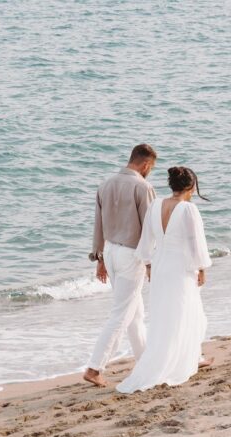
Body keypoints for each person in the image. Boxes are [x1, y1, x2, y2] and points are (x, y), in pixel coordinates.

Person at [116, 166, 212, 394]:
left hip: (160, 264)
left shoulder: (155, 205)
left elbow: (146, 240)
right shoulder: (189, 209)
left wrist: (149, 265)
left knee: (163, 314)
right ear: (191, 186)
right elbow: (195, 242)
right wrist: (202, 268)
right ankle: (186, 359)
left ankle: (174, 357)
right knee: (185, 310)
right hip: (180, 265)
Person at [83, 144, 157, 387]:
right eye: (151, 168)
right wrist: (150, 262)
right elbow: (149, 229)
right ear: (145, 165)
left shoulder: (105, 185)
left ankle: (146, 362)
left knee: (134, 312)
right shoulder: (142, 187)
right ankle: (95, 367)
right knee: (122, 313)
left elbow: (98, 225)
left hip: (112, 251)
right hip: (131, 254)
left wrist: (99, 258)